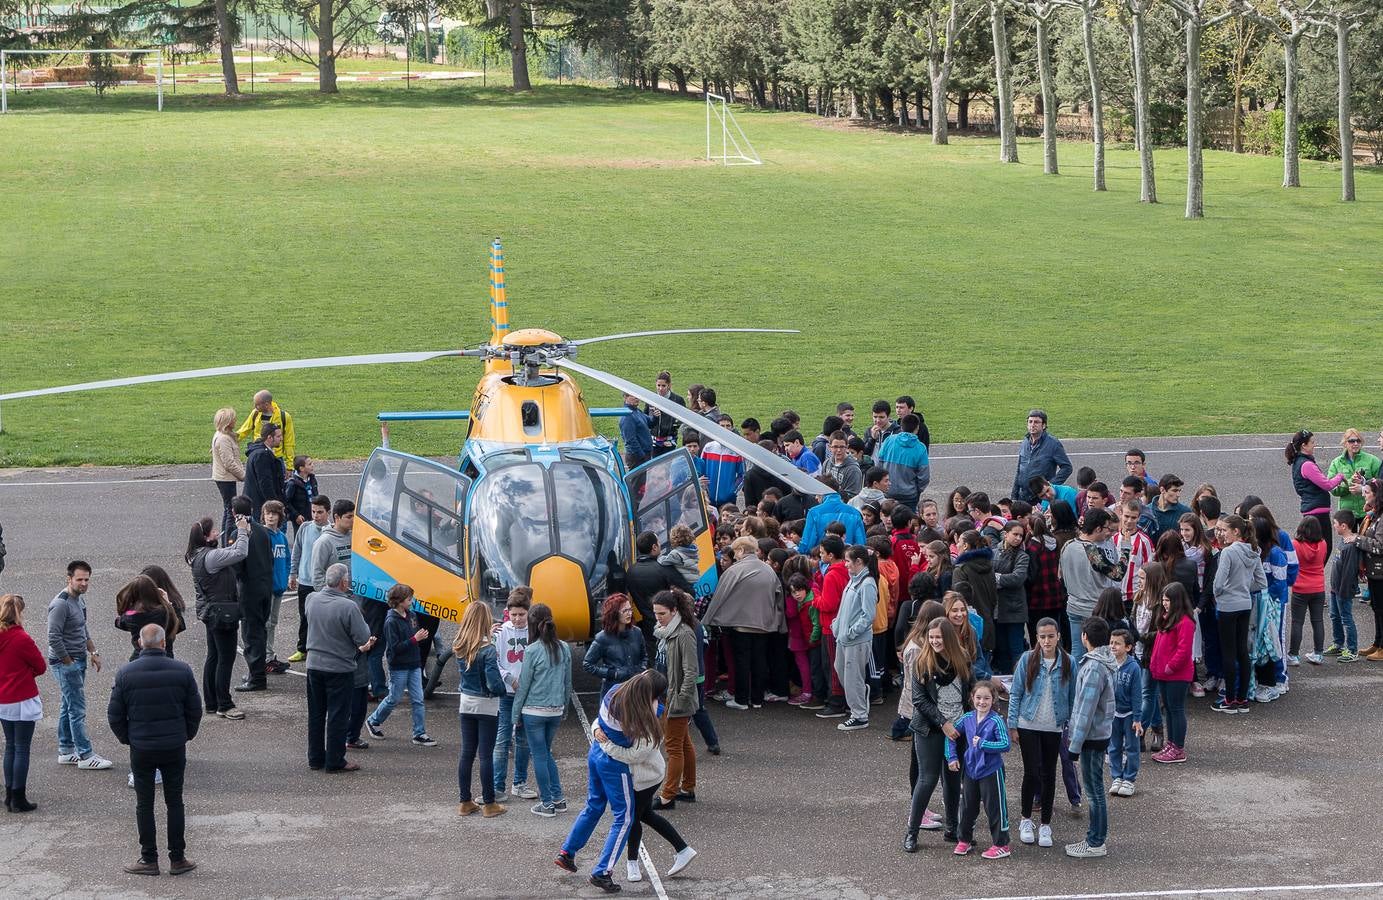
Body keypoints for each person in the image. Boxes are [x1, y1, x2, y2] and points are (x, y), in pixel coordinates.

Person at [107, 624, 201, 877]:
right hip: (173, 745)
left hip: (142, 747)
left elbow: (115, 715)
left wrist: (129, 739)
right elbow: (195, 709)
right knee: (175, 802)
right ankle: (178, 858)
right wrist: (185, 734)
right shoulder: (182, 671)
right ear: (163, 643)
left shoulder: (126, 673)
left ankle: (148, 858)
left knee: (144, 804)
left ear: (140, 643)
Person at [557, 670, 656, 893]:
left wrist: (596, 730)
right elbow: (639, 746)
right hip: (614, 764)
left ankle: (567, 852)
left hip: (595, 753)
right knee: (625, 817)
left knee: (593, 806)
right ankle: (602, 871)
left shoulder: (613, 692)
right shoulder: (644, 711)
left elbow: (598, 721)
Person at [902, 617, 973, 852]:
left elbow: (970, 691)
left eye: (938, 638)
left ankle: (953, 830)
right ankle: (911, 832)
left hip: (959, 728)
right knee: (928, 778)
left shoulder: (962, 658)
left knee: (953, 780)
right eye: (931, 638)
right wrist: (943, 723)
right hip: (930, 729)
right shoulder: (922, 662)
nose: (934, 642)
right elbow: (919, 700)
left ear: (949, 639)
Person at [1007, 616, 1073, 848]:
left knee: (1049, 774)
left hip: (1054, 726)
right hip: (1028, 724)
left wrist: (1071, 728)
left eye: (1051, 636)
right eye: (1042, 637)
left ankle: (1045, 824)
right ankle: (1026, 819)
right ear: (1036, 638)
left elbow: (1072, 696)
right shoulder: (1027, 659)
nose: (1047, 641)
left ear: (1058, 636)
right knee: (1031, 773)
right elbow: (1015, 693)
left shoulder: (1068, 662)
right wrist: (1012, 724)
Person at [703, 537, 785, 710]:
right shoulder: (768, 570)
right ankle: (757, 699)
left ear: (740, 550)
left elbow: (719, 597)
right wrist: (779, 622)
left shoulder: (734, 570)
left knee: (741, 661)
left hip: (740, 624)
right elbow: (779, 597)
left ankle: (741, 700)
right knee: (760, 661)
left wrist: (707, 620)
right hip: (765, 624)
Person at [305, 564, 372, 772]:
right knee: (338, 715)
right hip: (339, 668)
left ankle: (315, 758)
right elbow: (363, 636)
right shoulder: (348, 606)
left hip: (314, 664)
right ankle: (335, 760)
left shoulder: (311, 599)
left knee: (316, 713)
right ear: (343, 582)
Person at [48, 560, 112, 770]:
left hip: (78, 659)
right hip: (67, 662)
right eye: (79, 579)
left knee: (68, 706)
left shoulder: (79, 600)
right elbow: (54, 637)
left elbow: (82, 629)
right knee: (77, 709)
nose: (84, 583)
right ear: (69, 579)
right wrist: (68, 662)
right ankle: (85, 755)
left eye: (87, 579)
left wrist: (93, 652)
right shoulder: (60, 604)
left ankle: (66, 750)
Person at [187, 515, 250, 719]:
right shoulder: (211, 556)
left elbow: (229, 552)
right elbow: (239, 552)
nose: (218, 533)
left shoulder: (197, 555)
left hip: (210, 612)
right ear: (205, 537)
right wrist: (242, 530)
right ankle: (225, 703)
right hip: (222, 614)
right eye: (214, 531)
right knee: (226, 657)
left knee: (213, 656)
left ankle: (211, 702)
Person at [1065, 617, 1117, 859]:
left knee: (1094, 791)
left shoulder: (1094, 667)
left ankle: (1095, 841)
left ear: (1085, 636)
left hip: (1091, 738)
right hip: (1098, 735)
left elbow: (1086, 710)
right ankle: (1095, 839)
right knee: (1095, 789)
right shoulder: (1103, 662)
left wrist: (1074, 746)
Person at [512, 603, 571, 816]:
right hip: (555, 709)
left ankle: (547, 803)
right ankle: (558, 798)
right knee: (546, 754)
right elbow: (568, 682)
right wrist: (564, 707)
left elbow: (524, 685)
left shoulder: (532, 649)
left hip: (533, 711)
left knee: (538, 755)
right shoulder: (563, 647)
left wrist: (515, 714)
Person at [946, 681, 1011, 859]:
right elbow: (950, 736)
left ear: (993, 700)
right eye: (978, 698)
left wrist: (983, 744)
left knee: (995, 807)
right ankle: (964, 840)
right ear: (972, 698)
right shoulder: (967, 718)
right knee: (967, 806)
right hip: (970, 770)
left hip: (991, 770)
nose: (982, 702)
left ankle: (1001, 844)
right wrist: (952, 757)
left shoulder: (997, 720)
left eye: (987, 698)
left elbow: (1006, 744)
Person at [364, 584, 435, 747]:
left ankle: (419, 733)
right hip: (399, 666)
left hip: (414, 664)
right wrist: (415, 639)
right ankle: (373, 720)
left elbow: (412, 639)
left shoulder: (412, 616)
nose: (412, 601)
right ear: (400, 601)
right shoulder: (390, 622)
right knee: (393, 698)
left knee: (418, 699)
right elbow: (395, 648)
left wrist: (417, 640)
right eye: (409, 599)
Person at [455, 600, 506, 817]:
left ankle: (465, 801)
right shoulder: (488, 650)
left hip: (466, 702)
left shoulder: (460, 645)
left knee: (467, 753)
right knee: (486, 755)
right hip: (486, 705)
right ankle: (489, 803)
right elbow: (494, 683)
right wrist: (503, 690)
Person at [1211, 515, 1267, 713]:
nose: (1221, 534)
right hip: (1245, 604)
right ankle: (1242, 699)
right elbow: (1261, 582)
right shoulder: (1253, 551)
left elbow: (1218, 583)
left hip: (1227, 605)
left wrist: (1221, 593)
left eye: (1225, 530)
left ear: (1236, 532)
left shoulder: (1228, 553)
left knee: (1228, 652)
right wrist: (1244, 587)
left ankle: (1229, 699)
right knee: (1243, 651)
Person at [1059, 509, 1130, 665]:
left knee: (1077, 651)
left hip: (1073, 606)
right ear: (1097, 528)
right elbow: (1117, 574)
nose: (1108, 533)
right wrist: (1126, 548)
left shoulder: (1067, 545)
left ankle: (1077, 684)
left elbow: (1060, 576)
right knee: (1098, 653)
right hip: (1094, 609)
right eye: (1107, 529)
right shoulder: (1091, 550)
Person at [653, 590, 699, 809]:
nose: (657, 618)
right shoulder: (666, 631)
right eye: (656, 613)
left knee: (673, 747)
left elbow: (691, 672)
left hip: (676, 700)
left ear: (675, 611)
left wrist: (680, 700)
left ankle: (668, 795)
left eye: (662, 614)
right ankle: (687, 787)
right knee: (684, 743)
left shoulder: (683, 634)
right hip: (669, 696)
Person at [0, 594, 45, 813]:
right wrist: (27, 673)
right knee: (22, 748)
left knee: (10, 746)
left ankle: (9, 795)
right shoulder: (21, 638)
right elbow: (41, 666)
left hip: (2, 699)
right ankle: (19, 797)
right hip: (22, 697)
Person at [830, 544, 878, 732]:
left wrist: (850, 632)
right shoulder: (854, 580)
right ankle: (859, 701)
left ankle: (859, 716)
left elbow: (868, 615)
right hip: (844, 638)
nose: (845, 564)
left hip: (856, 640)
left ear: (859, 561)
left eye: (848, 561)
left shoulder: (867, 583)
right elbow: (845, 608)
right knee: (842, 671)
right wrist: (837, 625)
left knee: (852, 677)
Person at [493, 588, 534, 802]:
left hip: (528, 695)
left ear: (528, 612)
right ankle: (497, 786)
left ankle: (519, 783)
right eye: (514, 614)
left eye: (522, 614)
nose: (517, 619)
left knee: (524, 740)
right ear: (507, 613)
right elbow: (495, 661)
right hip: (507, 694)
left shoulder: (533, 632)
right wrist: (510, 679)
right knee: (502, 740)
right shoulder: (501, 632)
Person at [1146, 583, 1195, 763]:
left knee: (1176, 709)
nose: (1164, 603)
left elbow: (1183, 651)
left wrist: (1170, 666)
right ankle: (1171, 743)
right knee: (1169, 709)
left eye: (1168, 600)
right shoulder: (1167, 618)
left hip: (1177, 675)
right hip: (1164, 674)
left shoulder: (1185, 622)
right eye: (1163, 600)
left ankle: (1178, 748)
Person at [232, 495, 274, 693]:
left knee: (251, 633)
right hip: (265, 586)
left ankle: (257, 677)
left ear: (234, 512)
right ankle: (256, 672)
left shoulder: (239, 533)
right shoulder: (263, 532)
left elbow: (237, 565)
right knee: (261, 630)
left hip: (250, 590)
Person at [1286, 430, 1345, 556]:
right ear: (1304, 445)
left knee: (1315, 549)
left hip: (1311, 510)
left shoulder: (1299, 462)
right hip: (1317, 513)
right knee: (1324, 549)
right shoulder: (1306, 464)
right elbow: (1327, 484)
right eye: (1312, 442)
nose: (1315, 445)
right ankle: (1315, 574)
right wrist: (1340, 476)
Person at [288, 494, 331, 663]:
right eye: (313, 511)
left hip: (324, 583)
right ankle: (302, 648)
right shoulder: (305, 528)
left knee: (325, 618)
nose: (316, 515)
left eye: (320, 512)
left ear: (328, 512)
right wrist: (293, 574)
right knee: (305, 616)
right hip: (305, 581)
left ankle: (324, 649)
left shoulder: (332, 531)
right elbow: (296, 551)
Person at [584, 594, 647, 696]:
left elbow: (644, 656)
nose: (629, 614)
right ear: (613, 614)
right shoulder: (602, 637)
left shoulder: (637, 632)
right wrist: (611, 673)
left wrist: (640, 670)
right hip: (613, 690)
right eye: (624, 611)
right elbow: (588, 664)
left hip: (635, 687)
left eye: (630, 610)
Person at [1106, 629, 1144, 797]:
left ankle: (1129, 779)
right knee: (1113, 747)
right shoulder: (1107, 663)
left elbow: (1137, 695)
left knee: (1131, 747)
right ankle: (1116, 777)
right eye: (1111, 642)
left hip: (1129, 715)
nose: (1113, 646)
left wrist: (1137, 718)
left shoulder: (1134, 667)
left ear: (1128, 647)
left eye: (1117, 643)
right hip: (1112, 714)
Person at [951, 531, 998, 659]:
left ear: (965, 545)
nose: (957, 544)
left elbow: (957, 601)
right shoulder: (989, 567)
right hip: (988, 626)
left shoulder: (961, 569)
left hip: (968, 630)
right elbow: (994, 598)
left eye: (959, 541)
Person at [1288, 516, 1328, 666]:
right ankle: (1318, 653)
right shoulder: (1323, 544)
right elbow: (1322, 560)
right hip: (1318, 587)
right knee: (1317, 621)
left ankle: (1294, 654)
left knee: (1297, 622)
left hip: (1300, 588)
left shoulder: (1295, 544)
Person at [992, 521, 1030, 676]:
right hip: (997, 608)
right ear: (1005, 534)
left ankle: (1018, 678)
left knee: (1016, 648)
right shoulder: (993, 552)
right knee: (1001, 648)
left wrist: (996, 578)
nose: (1018, 538)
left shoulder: (1022, 556)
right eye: (1015, 534)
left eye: (1021, 535)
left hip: (1015, 609)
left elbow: (1017, 578)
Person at [114, 574, 181, 662]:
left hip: (139, 657)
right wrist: (168, 603)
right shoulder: (164, 611)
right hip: (165, 656)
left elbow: (118, 622)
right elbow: (177, 624)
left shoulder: (130, 616)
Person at [1012, 410, 1072, 504]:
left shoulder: (1053, 444)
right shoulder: (1025, 441)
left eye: (1036, 422)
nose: (1032, 425)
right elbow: (1020, 470)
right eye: (1030, 421)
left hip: (1040, 499)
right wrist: (1014, 496)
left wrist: (1050, 485)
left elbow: (1067, 468)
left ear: (1044, 425)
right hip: (1022, 497)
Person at [260, 500, 292, 674]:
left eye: (274, 513)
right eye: (267, 513)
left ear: (280, 516)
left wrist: (286, 577)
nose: (270, 516)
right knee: (265, 623)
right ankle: (264, 657)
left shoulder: (281, 537)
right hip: (266, 588)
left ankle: (269, 655)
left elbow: (286, 560)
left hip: (279, 587)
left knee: (273, 623)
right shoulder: (262, 535)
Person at [1326, 510, 1362, 662]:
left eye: (1335, 524)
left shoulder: (1351, 546)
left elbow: (1349, 572)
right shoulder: (1343, 541)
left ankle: (1352, 650)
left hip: (1343, 590)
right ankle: (1338, 643)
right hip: (1335, 588)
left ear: (1344, 526)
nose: (1334, 526)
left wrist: (1343, 591)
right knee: (1334, 616)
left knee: (1346, 618)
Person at [1354, 479, 1383, 661]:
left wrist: (1357, 539)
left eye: (1366, 492)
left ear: (1376, 495)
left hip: (1380, 572)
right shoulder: (1373, 515)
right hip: (1374, 571)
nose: (1363, 495)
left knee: (1381, 609)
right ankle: (1377, 642)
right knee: (1376, 608)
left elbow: (1380, 546)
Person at [877, 414, 931, 511]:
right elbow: (924, 476)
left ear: (901, 427)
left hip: (888, 491)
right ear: (917, 428)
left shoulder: (889, 440)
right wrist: (917, 490)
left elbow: (879, 465)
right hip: (909, 495)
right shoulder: (920, 448)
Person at [1327, 429, 1380, 524]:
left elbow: (1380, 485)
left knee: (1368, 539)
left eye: (1358, 441)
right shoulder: (1336, 463)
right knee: (1348, 539)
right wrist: (1349, 483)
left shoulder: (1373, 460)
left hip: (1368, 511)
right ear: (1345, 443)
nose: (1355, 443)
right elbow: (1332, 488)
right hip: (1347, 513)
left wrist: (1363, 486)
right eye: (1351, 441)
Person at [236, 389, 295, 468]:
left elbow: (289, 442)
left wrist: (290, 466)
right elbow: (244, 430)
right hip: (259, 456)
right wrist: (226, 440)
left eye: (257, 405)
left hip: (276, 458)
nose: (255, 407)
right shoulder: (255, 414)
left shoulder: (284, 417)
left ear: (266, 404)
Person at [210, 407, 245, 541]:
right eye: (233, 419)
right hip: (225, 478)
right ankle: (228, 541)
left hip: (223, 477)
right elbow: (229, 463)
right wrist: (243, 476)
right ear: (228, 422)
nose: (235, 420)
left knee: (228, 509)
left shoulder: (222, 435)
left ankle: (226, 539)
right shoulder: (224, 439)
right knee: (231, 510)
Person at [242, 421, 286, 521]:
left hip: (256, 504)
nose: (281, 439)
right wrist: (275, 505)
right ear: (269, 438)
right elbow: (265, 484)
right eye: (278, 436)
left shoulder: (258, 451)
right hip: (259, 506)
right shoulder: (262, 455)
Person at [646, 372, 685, 456]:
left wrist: (674, 428)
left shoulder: (678, 400)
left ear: (669, 385)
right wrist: (653, 417)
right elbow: (645, 418)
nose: (660, 388)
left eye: (663, 386)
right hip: (653, 442)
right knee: (654, 468)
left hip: (669, 442)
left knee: (668, 468)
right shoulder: (650, 399)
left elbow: (683, 420)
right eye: (658, 385)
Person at [821, 431, 864, 501]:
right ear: (829, 447)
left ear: (847, 447)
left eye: (842, 447)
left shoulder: (853, 469)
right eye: (835, 447)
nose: (838, 450)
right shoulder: (827, 463)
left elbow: (852, 496)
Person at [282, 455, 319, 533]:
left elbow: (316, 495)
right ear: (301, 468)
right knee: (300, 537)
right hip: (300, 518)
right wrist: (296, 515)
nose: (312, 465)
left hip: (312, 514)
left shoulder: (312, 479)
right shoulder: (293, 483)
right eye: (309, 464)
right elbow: (286, 502)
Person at [619, 393, 654, 469]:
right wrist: (642, 455)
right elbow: (630, 440)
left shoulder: (636, 411)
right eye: (633, 396)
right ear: (625, 397)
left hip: (643, 455)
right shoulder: (627, 416)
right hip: (637, 458)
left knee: (643, 480)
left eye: (637, 395)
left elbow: (650, 423)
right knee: (638, 480)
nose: (636, 398)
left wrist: (655, 416)